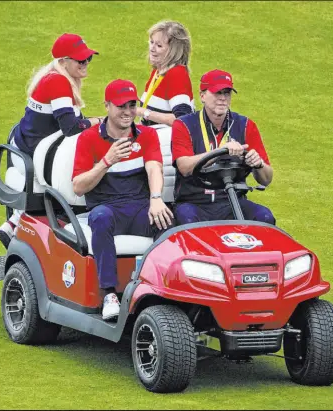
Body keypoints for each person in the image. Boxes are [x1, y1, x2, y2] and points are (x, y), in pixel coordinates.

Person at [72, 79, 174, 321]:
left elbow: (154, 169)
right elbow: (78, 187)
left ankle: (160, 289)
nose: (128, 112)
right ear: (107, 106)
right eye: (121, 106)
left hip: (140, 208)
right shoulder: (87, 139)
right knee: (100, 218)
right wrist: (107, 161)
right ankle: (109, 293)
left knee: (169, 220)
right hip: (108, 209)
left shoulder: (147, 135)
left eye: (132, 105)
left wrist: (157, 198)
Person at [0, 33, 102, 248]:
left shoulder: (56, 78)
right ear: (63, 62)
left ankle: (12, 225)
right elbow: (71, 128)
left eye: (88, 59)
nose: (86, 63)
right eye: (81, 60)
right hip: (32, 155)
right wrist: (100, 120)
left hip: (31, 149)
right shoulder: (58, 83)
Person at [171, 69, 276, 225]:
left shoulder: (246, 125)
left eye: (227, 93)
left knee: (265, 218)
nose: (222, 99)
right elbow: (184, 167)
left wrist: (258, 164)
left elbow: (267, 179)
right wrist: (219, 152)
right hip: (194, 202)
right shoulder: (183, 125)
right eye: (217, 93)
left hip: (232, 200)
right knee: (188, 220)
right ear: (202, 96)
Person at [135, 20, 194, 126]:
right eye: (151, 42)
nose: (152, 48)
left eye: (159, 45)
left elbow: (183, 120)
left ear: (173, 51)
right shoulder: (158, 72)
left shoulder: (177, 74)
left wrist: (143, 112)